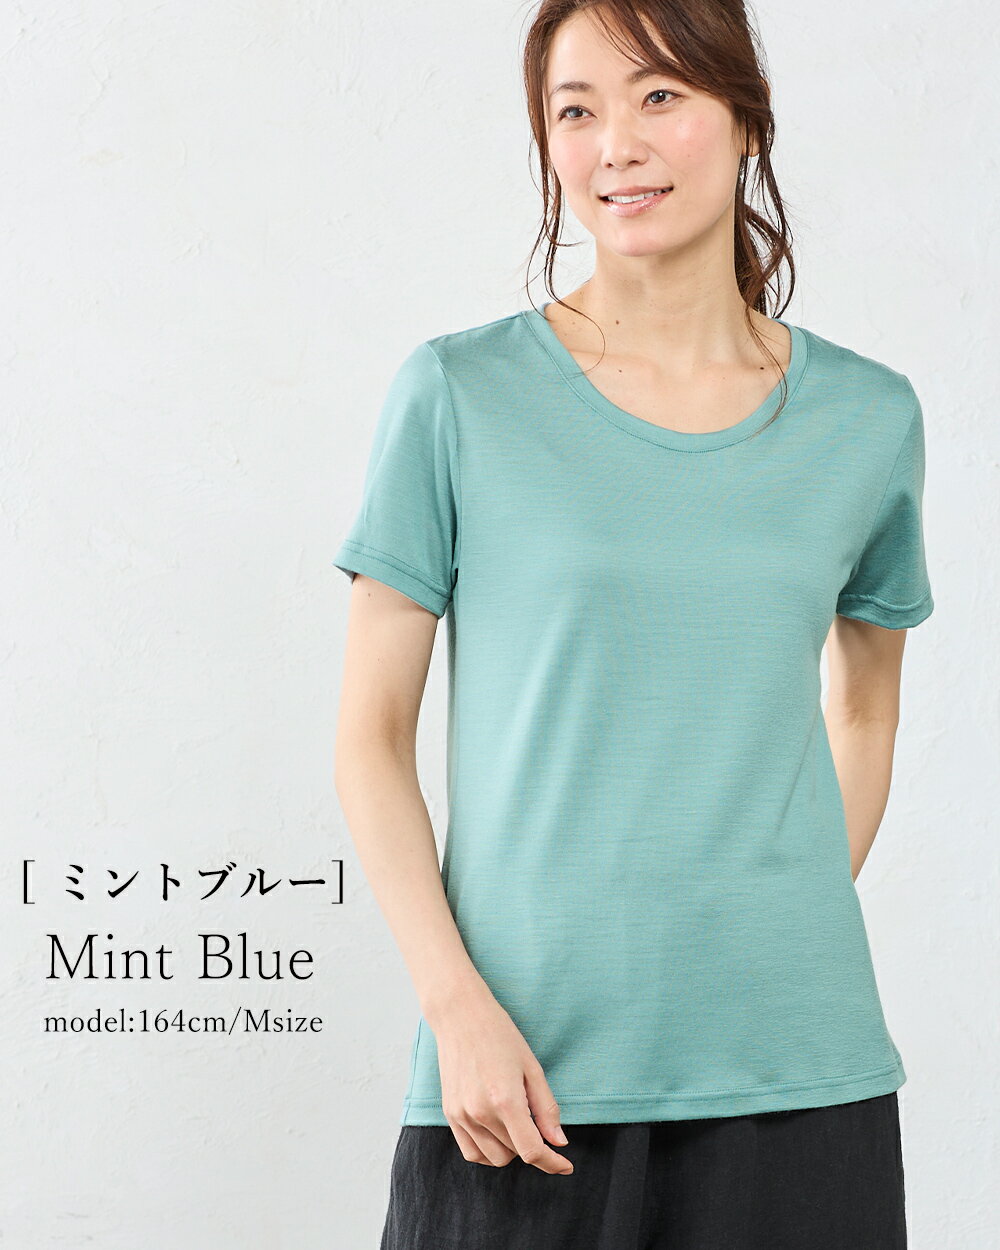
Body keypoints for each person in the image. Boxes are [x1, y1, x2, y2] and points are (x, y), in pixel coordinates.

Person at [333, 1, 932, 1245]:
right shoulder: (459, 394)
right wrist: (455, 1007)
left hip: (797, 1077)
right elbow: (369, 739)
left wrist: (752, 925)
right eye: (576, 109)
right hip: (519, 1080)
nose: (616, 143)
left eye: (660, 95)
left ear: (745, 118)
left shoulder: (866, 420)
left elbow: (866, 707)